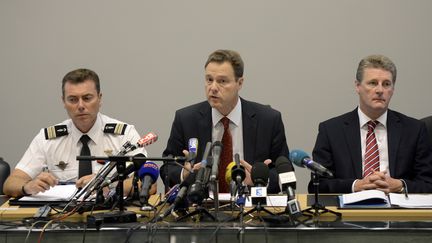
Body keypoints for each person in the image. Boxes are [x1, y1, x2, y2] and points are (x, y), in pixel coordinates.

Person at [3, 68, 153, 198]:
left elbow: (150, 186)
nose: (80, 106)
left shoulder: (124, 135)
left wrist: (107, 185)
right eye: (73, 99)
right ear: (63, 102)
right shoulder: (48, 138)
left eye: (87, 98)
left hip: (108, 214)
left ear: (100, 99)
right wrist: (28, 186)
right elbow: (11, 183)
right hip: (60, 219)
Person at [161, 49, 289, 194]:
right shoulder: (185, 119)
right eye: (209, 80)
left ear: (239, 83)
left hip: (251, 209)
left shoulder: (268, 120)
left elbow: (285, 173)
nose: (213, 88)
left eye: (222, 81)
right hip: (200, 209)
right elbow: (167, 166)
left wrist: (259, 180)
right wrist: (183, 174)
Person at [309, 54, 432, 194]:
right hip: (349, 214)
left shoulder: (414, 130)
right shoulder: (331, 130)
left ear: (393, 89)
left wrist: (399, 185)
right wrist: (356, 185)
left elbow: (428, 183)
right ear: (357, 86)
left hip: (398, 212)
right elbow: (317, 185)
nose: (380, 90)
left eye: (386, 84)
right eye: (373, 83)